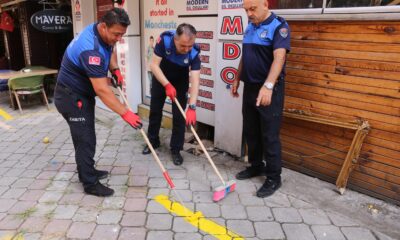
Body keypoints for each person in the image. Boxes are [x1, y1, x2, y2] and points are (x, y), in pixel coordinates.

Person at [54, 8, 142, 197]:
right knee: (85, 139)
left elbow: (109, 49)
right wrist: (126, 112)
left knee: (86, 136)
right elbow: (102, 90)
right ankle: (89, 183)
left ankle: (88, 170)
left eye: (122, 35)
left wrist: (115, 69)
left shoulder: (101, 34)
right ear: (104, 27)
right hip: (71, 97)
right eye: (116, 34)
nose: (119, 39)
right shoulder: (90, 50)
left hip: (81, 95)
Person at [231, 0, 290, 198]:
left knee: (269, 135)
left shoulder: (279, 26)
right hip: (250, 87)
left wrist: (268, 86)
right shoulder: (250, 26)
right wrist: (237, 78)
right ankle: (256, 166)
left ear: (265, 4)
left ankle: (274, 178)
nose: (248, 13)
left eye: (252, 9)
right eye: (246, 10)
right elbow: (245, 55)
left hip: (269, 89)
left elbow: (279, 58)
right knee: (251, 130)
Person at [142, 23, 201, 166]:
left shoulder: (194, 52)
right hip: (160, 76)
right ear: (175, 39)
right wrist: (166, 84)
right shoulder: (165, 40)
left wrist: (192, 107)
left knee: (179, 116)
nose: (186, 49)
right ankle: (153, 141)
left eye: (189, 46)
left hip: (180, 80)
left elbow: (195, 79)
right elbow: (154, 65)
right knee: (155, 110)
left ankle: (176, 149)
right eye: (183, 46)